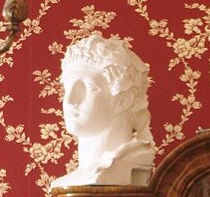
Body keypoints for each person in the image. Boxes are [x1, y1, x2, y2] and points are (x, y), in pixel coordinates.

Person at [53, 33, 156, 187]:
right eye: (67, 88)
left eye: (87, 87)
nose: (69, 100)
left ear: (123, 100)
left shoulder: (123, 168)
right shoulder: (75, 179)